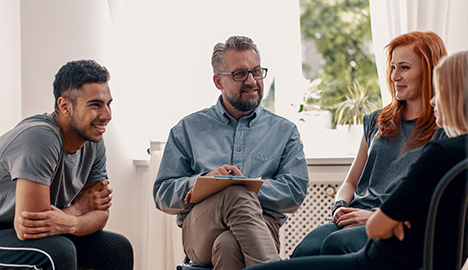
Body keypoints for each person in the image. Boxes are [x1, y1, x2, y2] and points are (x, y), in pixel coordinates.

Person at [246, 50, 468, 270]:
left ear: (456, 95)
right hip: (390, 245)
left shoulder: (440, 151)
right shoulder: (455, 152)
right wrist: (388, 217)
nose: (432, 101)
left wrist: (387, 219)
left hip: (379, 258)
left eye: (439, 92)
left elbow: (378, 227)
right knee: (307, 248)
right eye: (392, 67)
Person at [153, 36, 309, 270]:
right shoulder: (187, 129)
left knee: (228, 246)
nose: (252, 81)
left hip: (263, 226)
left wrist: (246, 185)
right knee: (235, 194)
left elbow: (294, 192)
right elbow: (162, 194)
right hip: (200, 229)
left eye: (257, 72)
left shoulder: (285, 131)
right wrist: (204, 182)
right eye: (240, 74)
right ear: (218, 81)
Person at [292, 31, 447, 257]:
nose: (394, 77)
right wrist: (339, 206)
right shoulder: (377, 120)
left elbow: (433, 202)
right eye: (393, 67)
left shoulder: (444, 131)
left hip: (393, 223)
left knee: (336, 246)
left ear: (430, 70)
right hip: (353, 215)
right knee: (305, 250)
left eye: (404, 67)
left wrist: (376, 217)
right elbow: (350, 182)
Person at [0, 60, 134, 270]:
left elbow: (101, 214)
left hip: (19, 229)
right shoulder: (40, 137)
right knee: (57, 252)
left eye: (108, 104)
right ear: (64, 106)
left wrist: (72, 222)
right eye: (95, 105)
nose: (107, 115)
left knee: (117, 248)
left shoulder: (93, 141)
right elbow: (30, 228)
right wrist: (79, 209)